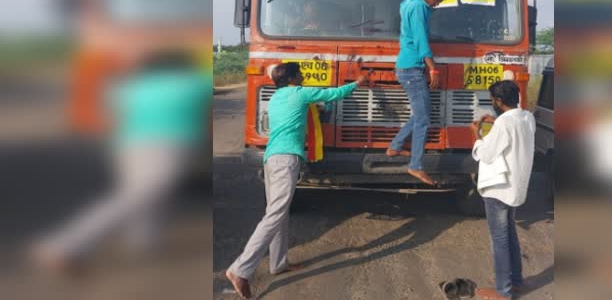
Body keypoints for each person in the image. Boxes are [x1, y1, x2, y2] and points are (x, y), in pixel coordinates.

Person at [31, 52, 211, 272]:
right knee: (141, 194)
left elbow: (112, 112)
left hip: (126, 143)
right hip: (168, 143)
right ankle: (64, 244)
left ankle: (145, 242)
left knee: (144, 192)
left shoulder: (129, 86)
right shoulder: (192, 83)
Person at [226, 62, 369, 299]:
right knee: (274, 215)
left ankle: (278, 263)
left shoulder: (276, 97)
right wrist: (358, 83)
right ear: (292, 78)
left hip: (271, 159)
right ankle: (240, 269)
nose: (303, 76)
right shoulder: (300, 93)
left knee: (278, 212)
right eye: (300, 74)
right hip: (286, 160)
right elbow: (333, 94)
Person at [387, 0, 451, 186]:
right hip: (413, 68)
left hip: (408, 67)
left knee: (420, 115)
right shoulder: (418, 9)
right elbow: (422, 39)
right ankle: (415, 166)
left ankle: (395, 147)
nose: (438, 2)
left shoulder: (411, 4)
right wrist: (433, 68)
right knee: (424, 119)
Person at [470, 80, 536, 300]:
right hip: (515, 187)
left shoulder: (503, 124)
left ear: (498, 101)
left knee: (499, 239)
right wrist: (496, 121)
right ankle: (515, 282)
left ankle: (503, 292)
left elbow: (486, 154)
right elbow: (512, 131)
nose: (492, 103)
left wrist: (476, 136)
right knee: (510, 235)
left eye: (493, 99)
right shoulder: (527, 117)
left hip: (499, 188)